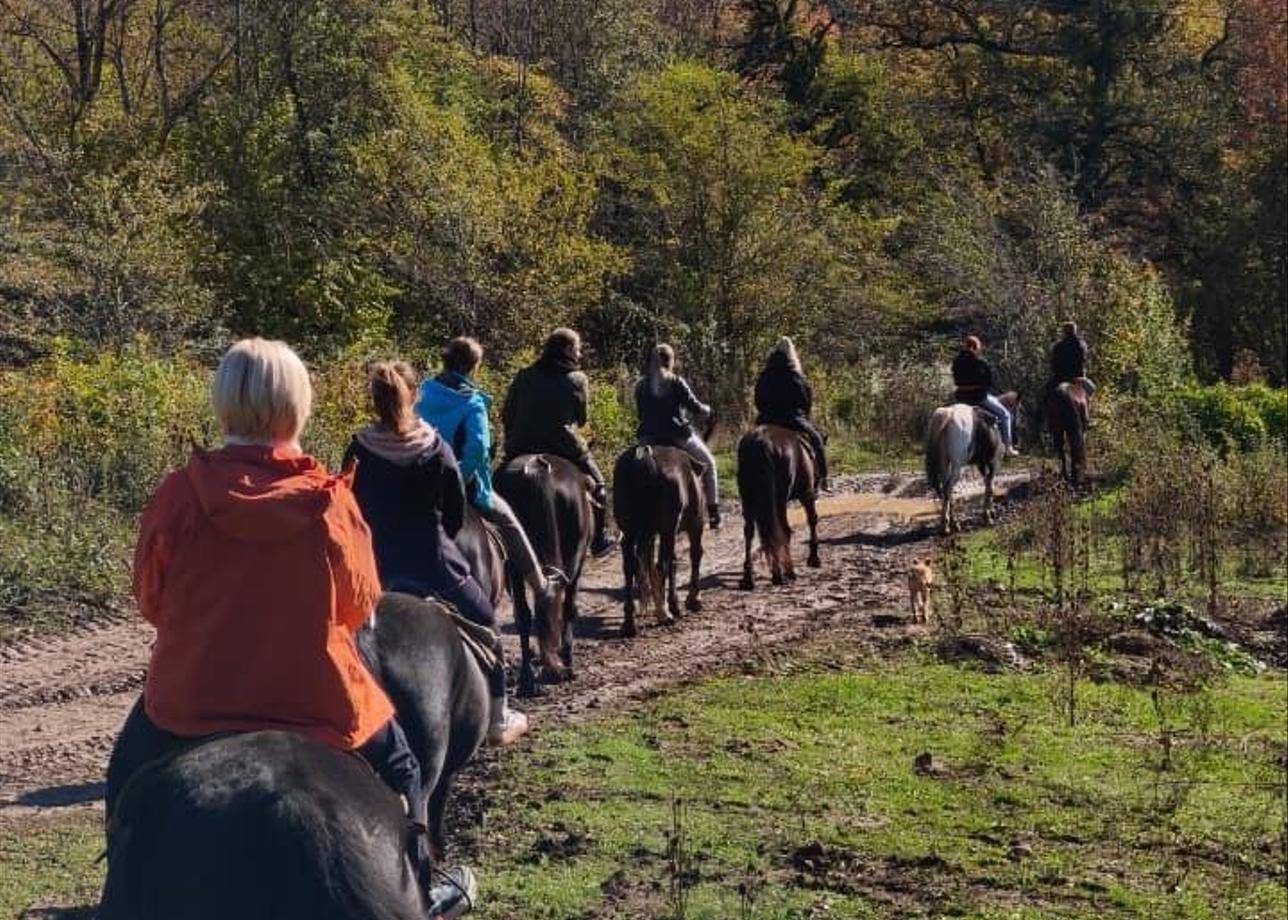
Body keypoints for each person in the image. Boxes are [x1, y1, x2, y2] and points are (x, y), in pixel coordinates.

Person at [133, 339, 476, 917]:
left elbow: (151, 599)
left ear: (222, 405)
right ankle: (425, 885)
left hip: (192, 700)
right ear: (299, 406)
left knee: (127, 788)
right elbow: (360, 606)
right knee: (406, 772)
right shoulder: (331, 501)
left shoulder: (177, 495)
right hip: (322, 702)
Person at [344, 361, 529, 749]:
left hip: (373, 570)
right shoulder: (434, 447)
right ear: (415, 395)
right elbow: (455, 513)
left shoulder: (359, 448)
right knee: (487, 622)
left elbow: (345, 509)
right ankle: (499, 716)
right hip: (432, 564)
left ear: (374, 400)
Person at [417, 337, 568, 600]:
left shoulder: (423, 391)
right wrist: (455, 481)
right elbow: (476, 451)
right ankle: (541, 586)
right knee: (509, 522)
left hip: (421, 482)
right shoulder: (472, 403)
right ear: (473, 367)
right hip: (466, 488)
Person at [501, 328, 617, 558]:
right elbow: (582, 419)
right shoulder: (577, 379)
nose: (580, 354)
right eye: (577, 348)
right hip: (564, 445)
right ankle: (599, 540)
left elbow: (507, 413)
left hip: (521, 445)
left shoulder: (524, 375)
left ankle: (498, 541)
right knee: (600, 486)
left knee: (498, 482)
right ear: (566, 349)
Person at [634, 343, 721, 528]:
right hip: (677, 437)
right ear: (670, 361)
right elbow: (695, 408)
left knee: (634, 466)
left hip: (647, 440)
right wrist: (707, 410)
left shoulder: (640, 385)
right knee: (710, 463)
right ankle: (714, 513)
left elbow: (641, 414)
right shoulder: (675, 381)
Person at [754, 336, 829, 490]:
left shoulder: (765, 375)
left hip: (767, 420)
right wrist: (804, 416)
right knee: (817, 441)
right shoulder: (796, 376)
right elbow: (806, 401)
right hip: (793, 419)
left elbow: (758, 399)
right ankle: (823, 478)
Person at [951, 334, 1020, 457]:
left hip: (960, 396)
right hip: (978, 397)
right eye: (978, 348)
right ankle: (1008, 447)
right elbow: (988, 382)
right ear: (975, 347)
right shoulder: (980, 362)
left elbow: (955, 379)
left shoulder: (956, 361)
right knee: (1005, 415)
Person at [1049, 320, 1095, 426]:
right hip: (1077, 379)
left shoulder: (1058, 346)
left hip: (1059, 378)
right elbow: (1083, 360)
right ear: (1075, 331)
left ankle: (1040, 419)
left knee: (1045, 393)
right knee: (1090, 390)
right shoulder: (1081, 345)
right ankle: (1087, 418)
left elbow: (1053, 363)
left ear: (1064, 332)